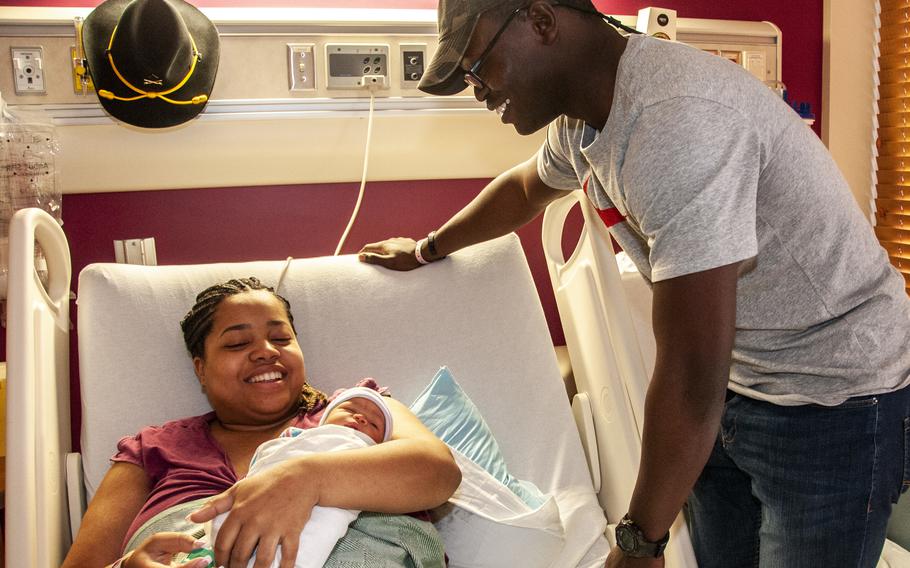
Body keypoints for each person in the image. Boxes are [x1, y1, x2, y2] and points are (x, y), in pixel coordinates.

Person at [357, 1, 910, 567]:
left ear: (542, 22)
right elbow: (526, 189)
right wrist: (429, 247)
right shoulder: (586, 117)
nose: (478, 91)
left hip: (834, 396)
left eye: (479, 68)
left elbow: (692, 369)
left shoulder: (677, 122)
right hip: (742, 382)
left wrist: (640, 540)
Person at [62, 277, 461, 568]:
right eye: (237, 343)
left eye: (281, 339)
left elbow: (438, 472)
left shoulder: (358, 411)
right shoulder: (153, 449)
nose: (266, 352)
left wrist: (306, 478)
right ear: (200, 369)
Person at [207, 387, 396, 568]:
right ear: (325, 418)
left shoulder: (365, 452)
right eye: (349, 409)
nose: (360, 417)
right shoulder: (295, 437)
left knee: (305, 545)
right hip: (263, 489)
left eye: (374, 424)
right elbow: (265, 461)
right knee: (225, 524)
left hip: (325, 507)